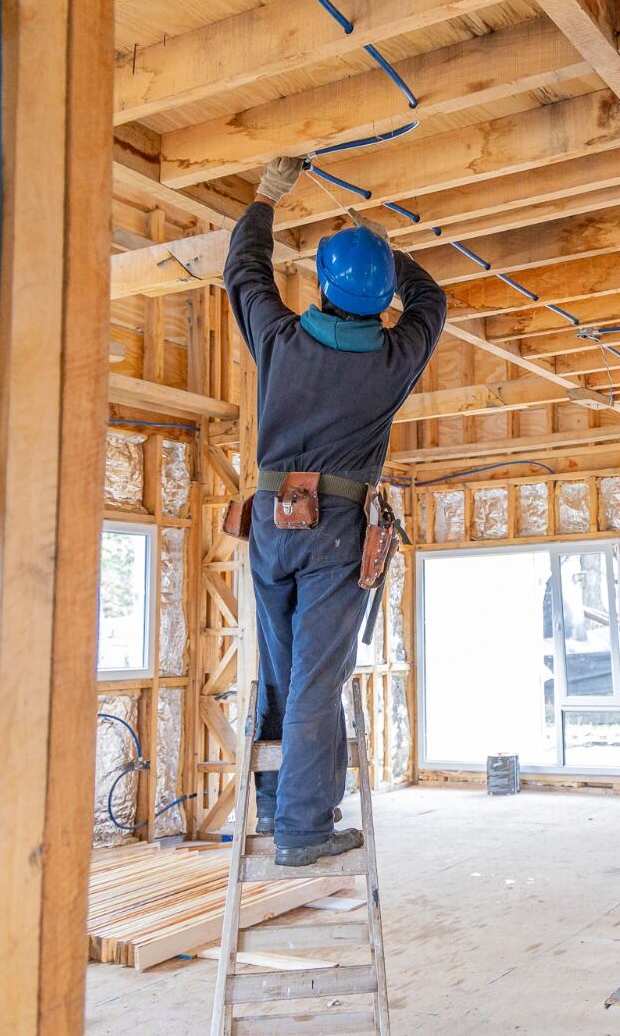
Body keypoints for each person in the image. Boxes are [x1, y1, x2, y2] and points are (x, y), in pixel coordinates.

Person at [224, 156, 446, 866]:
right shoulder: (392, 359)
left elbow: (244, 271)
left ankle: (272, 809)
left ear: (321, 285)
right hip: (337, 532)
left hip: (269, 524)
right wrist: (390, 253)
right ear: (382, 298)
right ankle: (303, 831)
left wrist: (267, 196)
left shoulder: (279, 339)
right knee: (317, 677)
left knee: (280, 670)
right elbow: (432, 302)